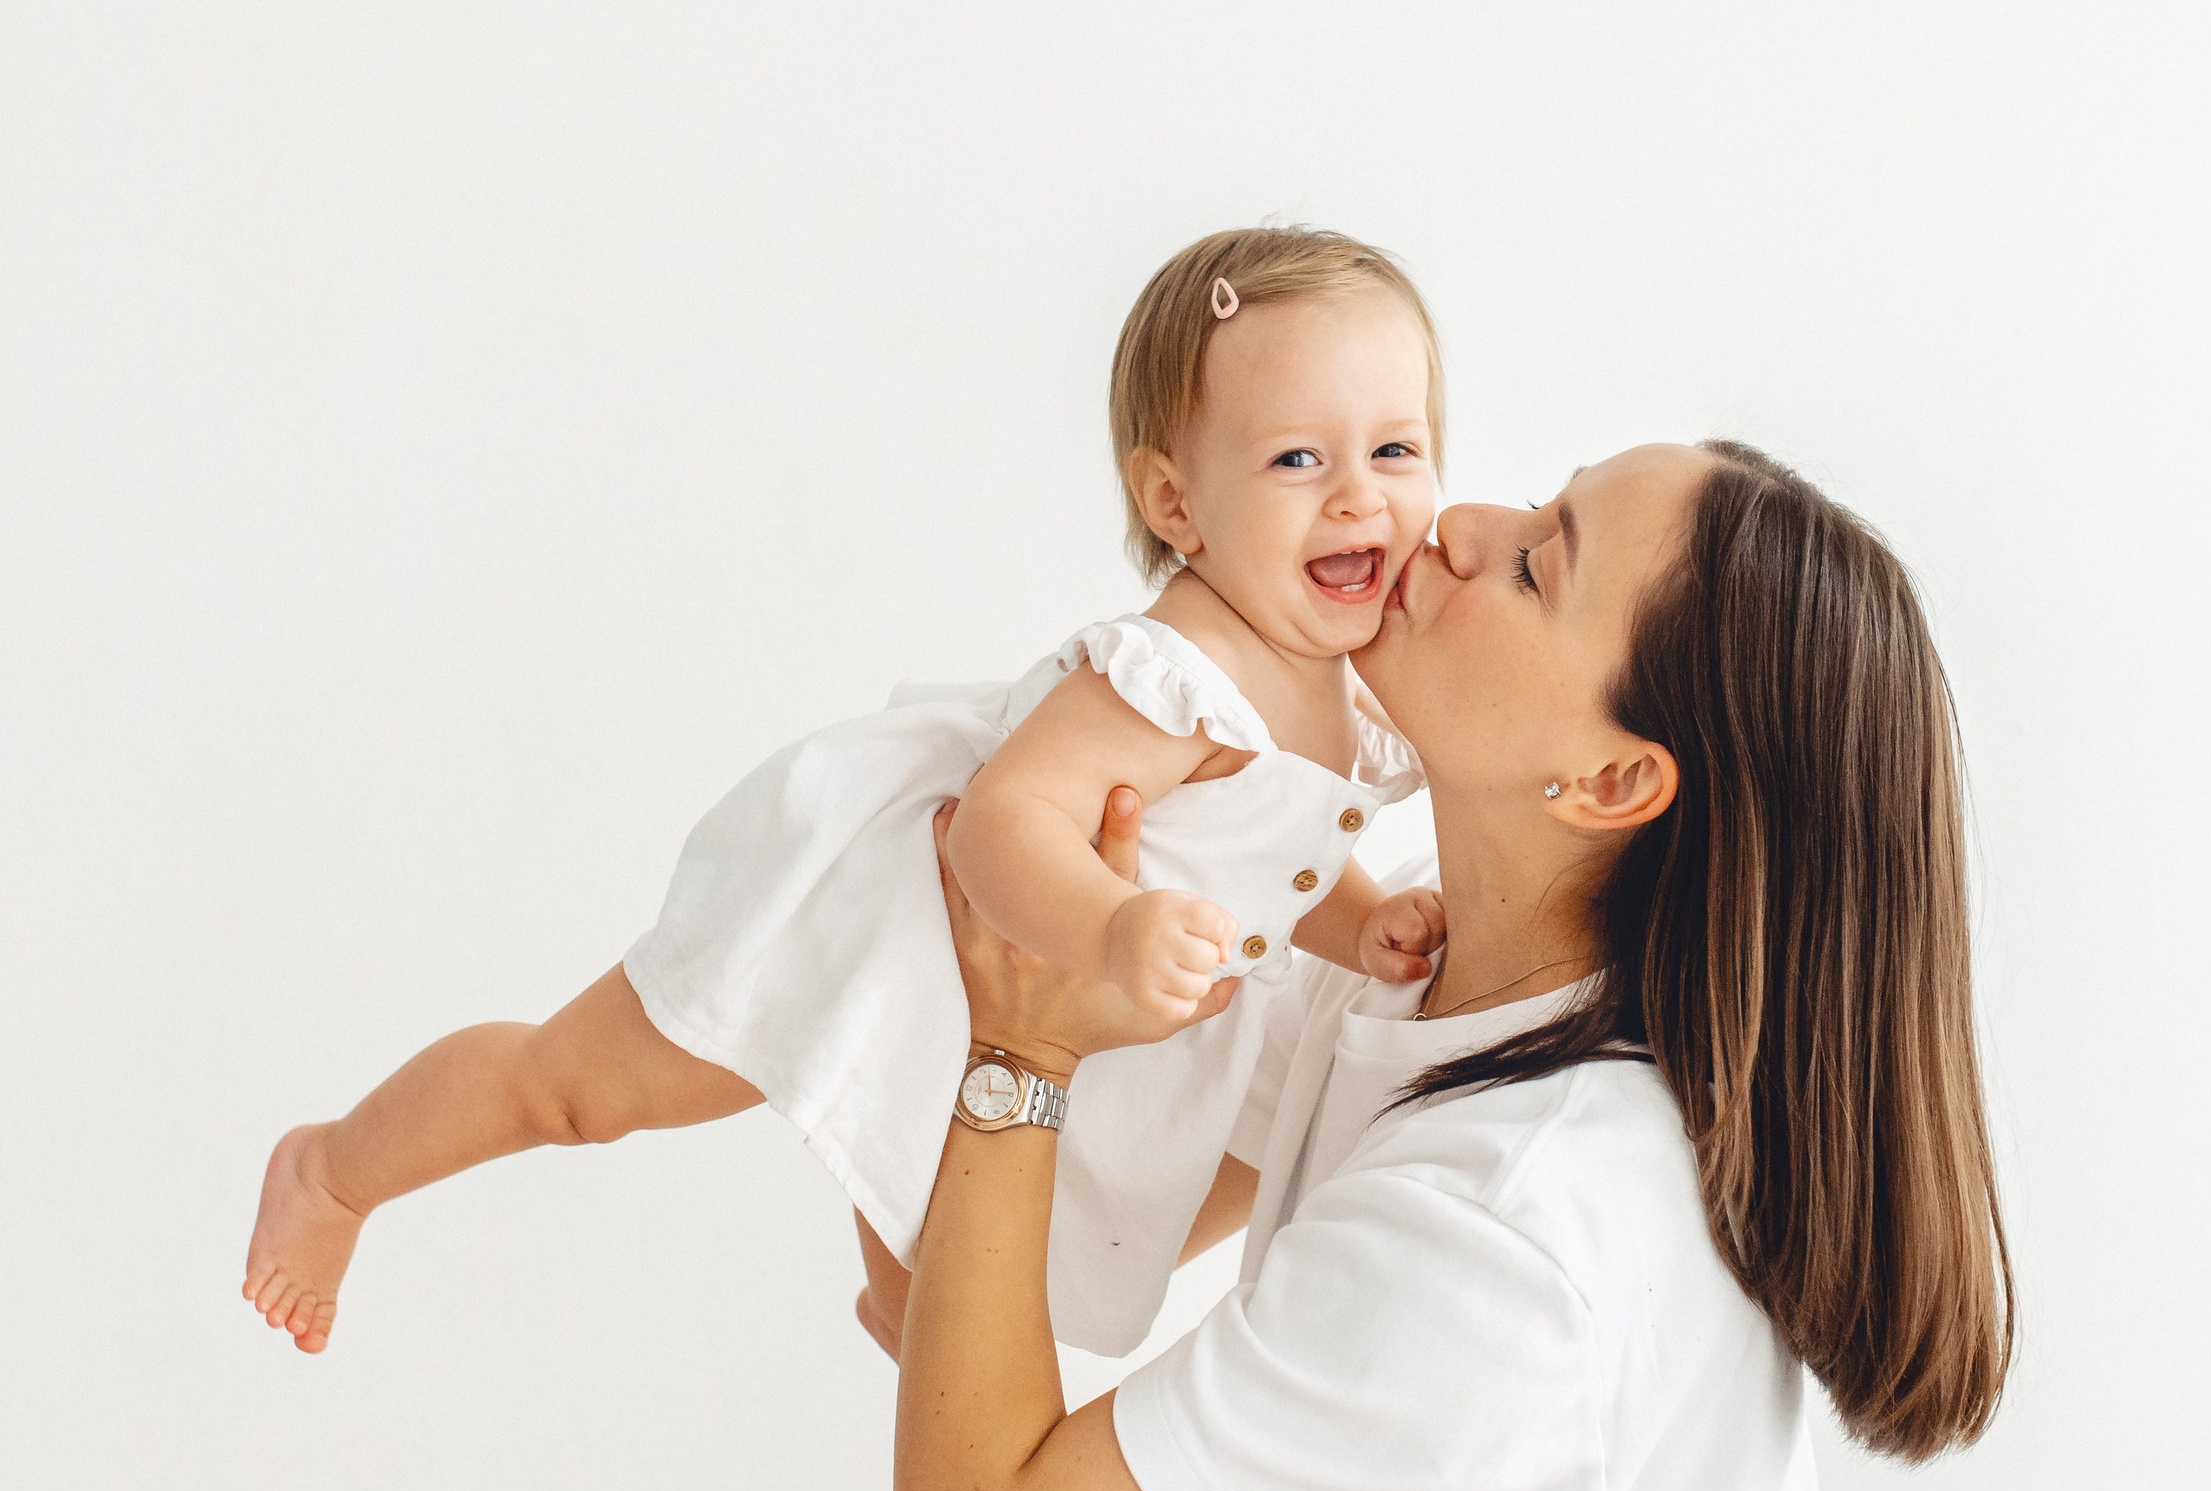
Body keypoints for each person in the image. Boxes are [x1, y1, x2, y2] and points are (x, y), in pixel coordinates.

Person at [884, 441, 2016, 1491]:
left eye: (1536, 565)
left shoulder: (1512, 1235)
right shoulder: (1414, 964)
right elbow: (1063, 1247)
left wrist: (1020, 1050)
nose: (1462, 524)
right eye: (1538, 500)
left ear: (1612, 780)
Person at [239, 226, 1449, 1356]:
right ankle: (334, 1170)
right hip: (890, 918)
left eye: (1394, 449)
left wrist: (1352, 918)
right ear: (1175, 502)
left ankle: (898, 1293)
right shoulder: (1172, 671)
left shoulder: (1339, 673)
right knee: (579, 1089)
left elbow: (1267, 841)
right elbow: (1002, 826)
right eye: (1298, 459)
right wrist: (1112, 923)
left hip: (1029, 987)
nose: (1359, 495)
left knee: (981, 1238)